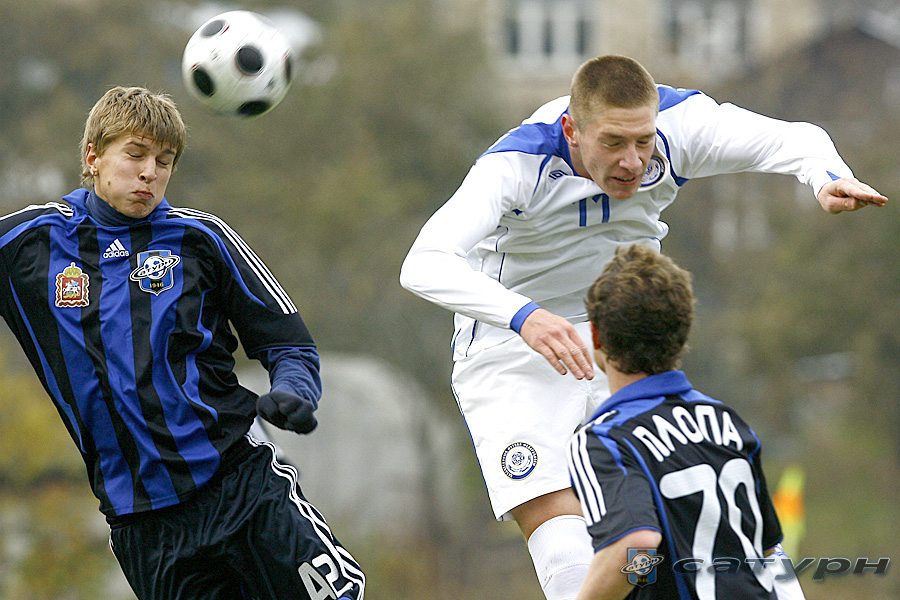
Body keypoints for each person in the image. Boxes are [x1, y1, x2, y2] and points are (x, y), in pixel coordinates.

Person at [399, 55, 885, 600]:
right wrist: (524, 316)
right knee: (563, 533)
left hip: (624, 338)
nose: (632, 161)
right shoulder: (515, 164)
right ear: (572, 131)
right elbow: (424, 263)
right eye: (613, 143)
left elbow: (795, 139)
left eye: (642, 142)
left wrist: (826, 177)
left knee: (680, 512)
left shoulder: (681, 126)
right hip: (511, 343)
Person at [0, 86, 364, 599]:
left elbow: (289, 345)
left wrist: (295, 391)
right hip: (144, 526)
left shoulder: (201, 239)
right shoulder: (29, 245)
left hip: (240, 485)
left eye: (164, 161)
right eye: (135, 155)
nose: (150, 172)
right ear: (93, 157)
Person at [567, 243, 793, 600]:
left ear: (595, 335)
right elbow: (767, 552)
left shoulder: (605, 439)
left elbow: (637, 548)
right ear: (682, 332)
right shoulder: (727, 422)